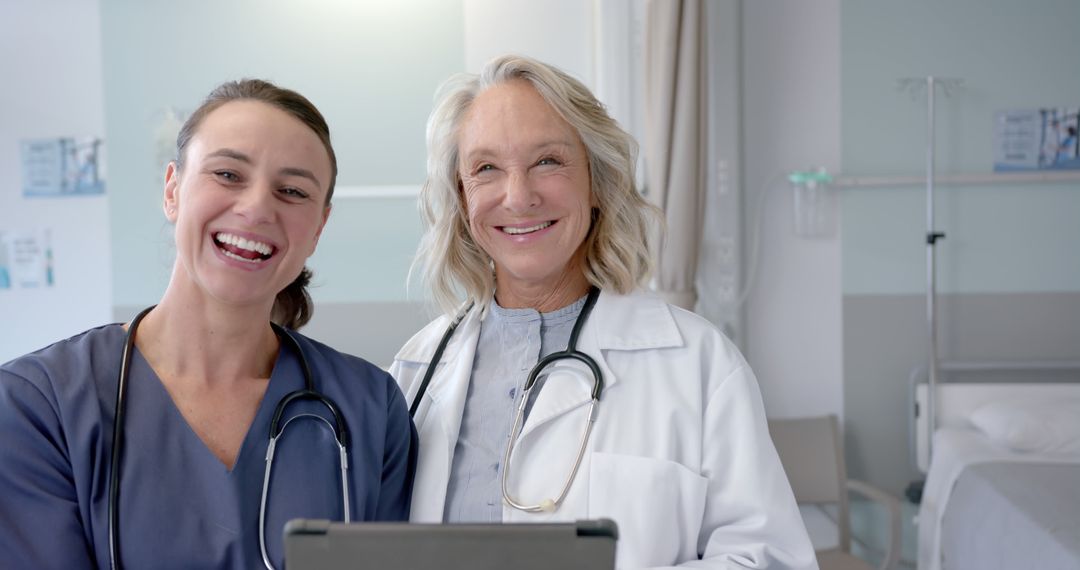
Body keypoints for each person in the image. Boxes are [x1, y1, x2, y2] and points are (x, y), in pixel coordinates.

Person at [390, 55, 816, 569]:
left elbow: (770, 559)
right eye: (486, 169)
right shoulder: (416, 372)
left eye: (547, 161)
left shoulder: (699, 364)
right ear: (462, 197)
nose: (518, 196)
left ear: (596, 182)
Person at [0, 79, 417, 569]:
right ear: (173, 190)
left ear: (319, 228)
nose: (258, 207)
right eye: (228, 174)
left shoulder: (369, 408)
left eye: (292, 190)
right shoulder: (38, 405)